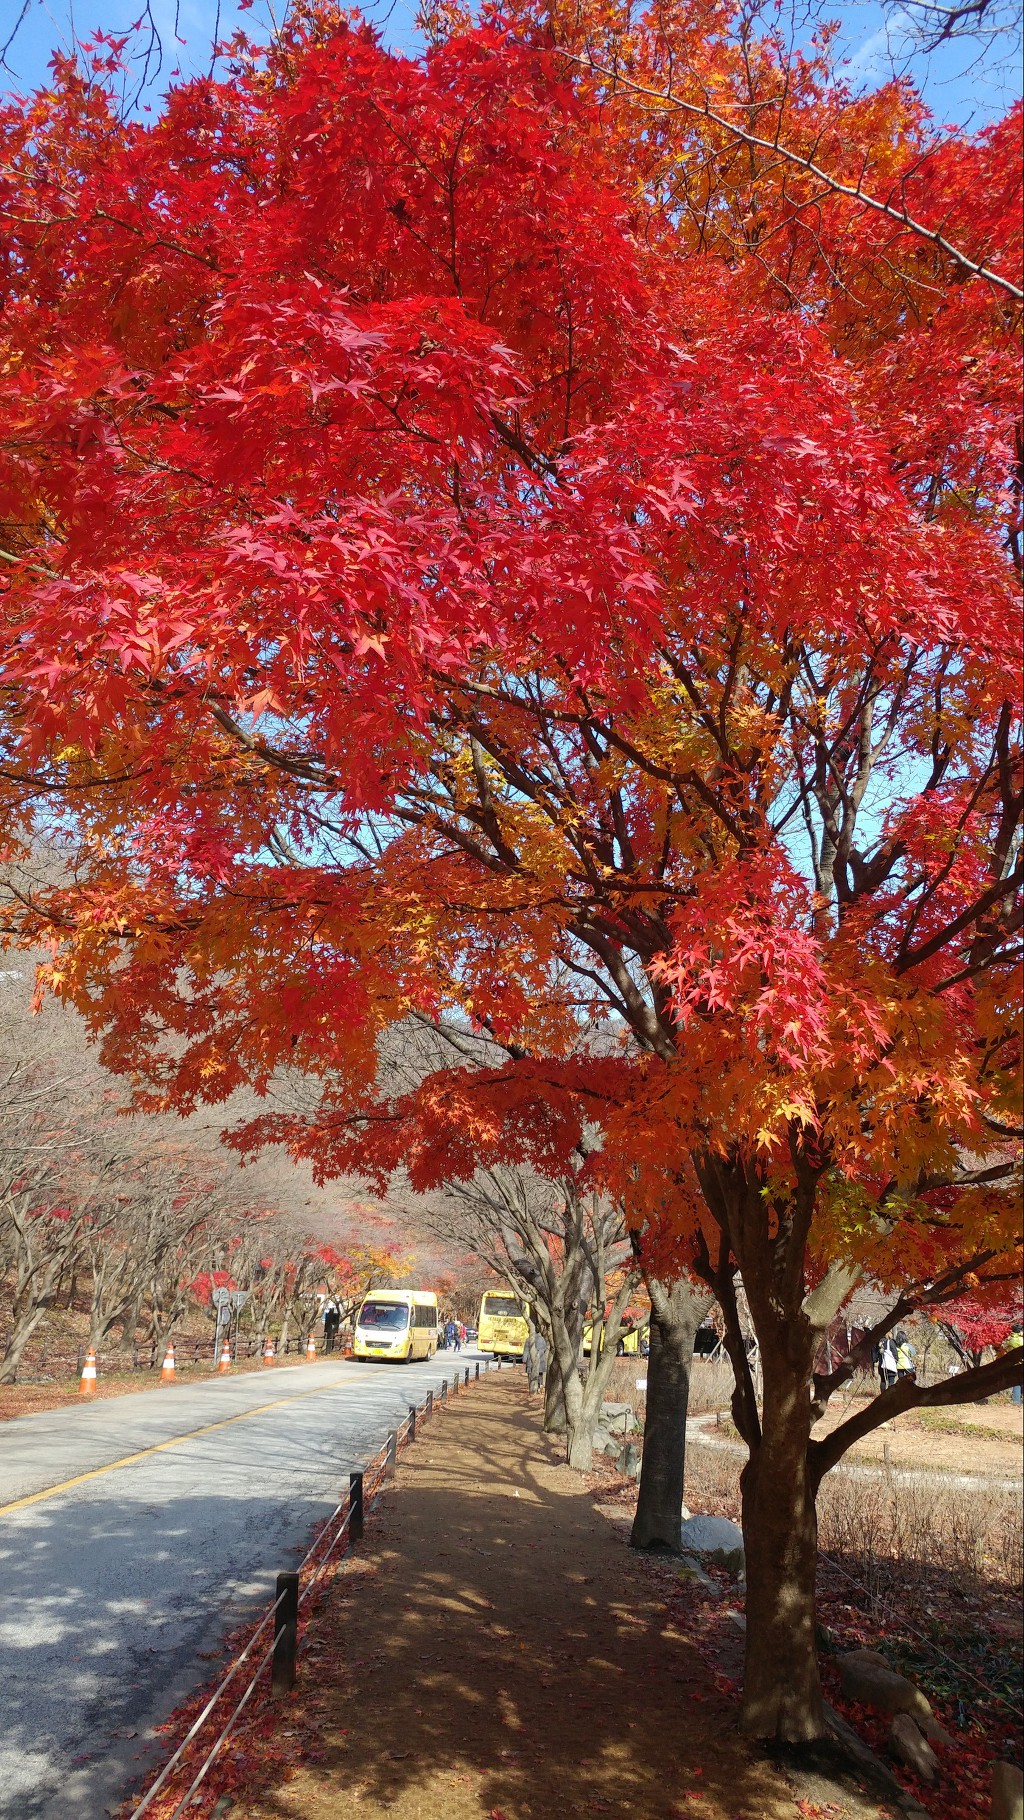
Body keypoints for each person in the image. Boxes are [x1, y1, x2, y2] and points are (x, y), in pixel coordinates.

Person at [1005, 1322, 1022, 1405]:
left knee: (1016, 1382)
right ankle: (1017, 1401)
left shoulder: (1009, 1339)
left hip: (1012, 1363)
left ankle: (1016, 1400)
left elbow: (1004, 1348)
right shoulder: (1020, 1340)